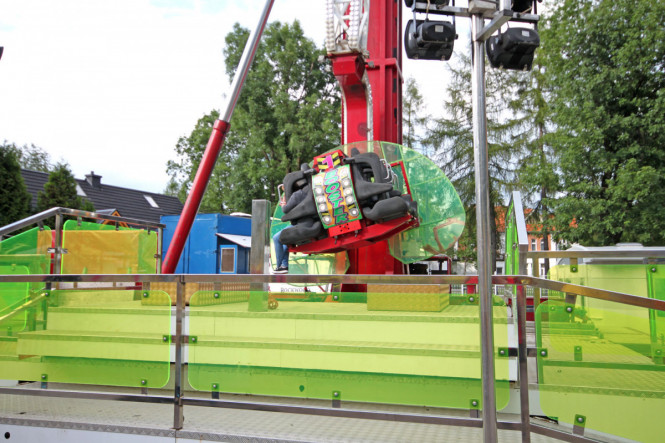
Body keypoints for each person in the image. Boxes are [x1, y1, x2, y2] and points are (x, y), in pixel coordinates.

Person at [273, 187, 308, 273]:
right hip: (304, 223)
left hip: (300, 224)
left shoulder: (296, 195)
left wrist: (283, 205)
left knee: (276, 238)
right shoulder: (305, 194)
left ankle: (278, 266)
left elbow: (285, 209)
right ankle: (284, 265)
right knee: (285, 242)